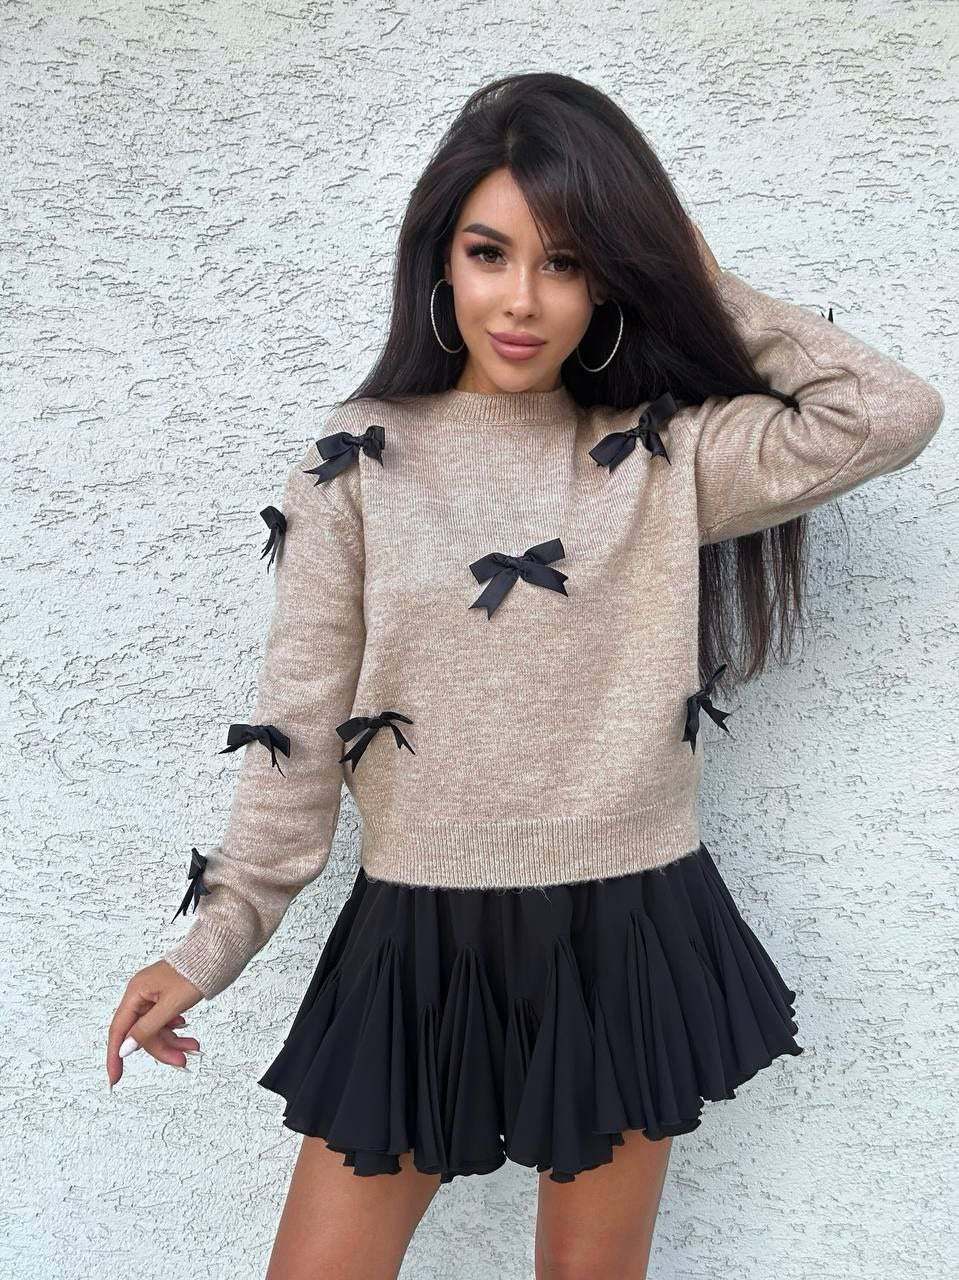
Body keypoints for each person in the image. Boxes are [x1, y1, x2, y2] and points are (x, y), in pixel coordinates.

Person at [105, 72, 945, 1280]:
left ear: (607, 276)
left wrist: (698, 279)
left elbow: (886, 410)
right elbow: (294, 730)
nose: (520, 299)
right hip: (417, 936)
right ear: (439, 257)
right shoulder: (356, 462)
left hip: (628, 926)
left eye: (565, 261)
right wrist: (209, 945)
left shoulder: (659, 456)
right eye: (489, 251)